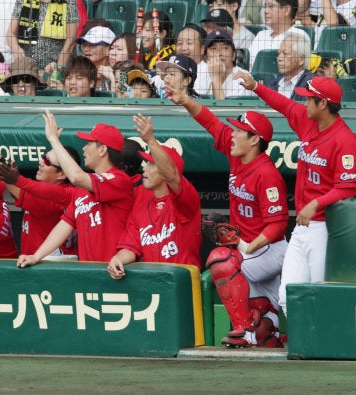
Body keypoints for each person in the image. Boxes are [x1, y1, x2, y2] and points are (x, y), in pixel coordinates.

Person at [168, 82, 289, 348]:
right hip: (249, 251)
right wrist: (185, 99)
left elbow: (278, 224)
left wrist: (245, 246)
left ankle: (243, 330)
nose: (233, 134)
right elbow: (211, 123)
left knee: (221, 258)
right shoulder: (237, 157)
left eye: (240, 131)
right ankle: (261, 327)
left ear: (255, 139)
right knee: (264, 332)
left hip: (269, 250)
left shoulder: (267, 174)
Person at [234, 73, 356, 317]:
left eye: (309, 99)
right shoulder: (309, 122)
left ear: (323, 104)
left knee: (322, 292)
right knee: (288, 295)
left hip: (326, 228)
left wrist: (316, 203)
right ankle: (306, 346)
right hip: (302, 227)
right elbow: (285, 105)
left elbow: (349, 187)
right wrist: (257, 86)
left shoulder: (345, 140)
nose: (304, 103)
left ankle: (325, 348)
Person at [17, 110, 134, 266]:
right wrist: (36, 256)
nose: (84, 149)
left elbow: (76, 177)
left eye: (88, 144)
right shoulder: (83, 190)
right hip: (88, 273)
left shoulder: (119, 179)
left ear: (102, 150)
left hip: (116, 273)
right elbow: (65, 225)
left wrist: (53, 140)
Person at [108, 115, 202, 278]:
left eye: (152, 164)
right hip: (155, 284)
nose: (145, 169)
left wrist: (151, 140)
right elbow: (131, 246)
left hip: (184, 284)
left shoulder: (186, 201)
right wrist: (118, 259)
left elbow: (172, 175)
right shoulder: (141, 204)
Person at [0, 108, 80, 256]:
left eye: (47, 161)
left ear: (62, 174)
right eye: (43, 157)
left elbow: (3, 174)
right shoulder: (64, 191)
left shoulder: (52, 201)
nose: (40, 162)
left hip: (48, 268)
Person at [8, 0, 79, 70]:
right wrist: (15, 48)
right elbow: (11, 33)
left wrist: (57, 70)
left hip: (53, 67)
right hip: (28, 68)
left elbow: (70, 42)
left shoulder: (69, 2)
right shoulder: (22, 1)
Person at [194, 29, 255, 99]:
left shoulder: (243, 78)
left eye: (225, 48)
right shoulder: (199, 73)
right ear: (206, 57)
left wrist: (216, 78)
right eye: (213, 48)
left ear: (234, 55)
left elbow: (225, 109)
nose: (219, 53)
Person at [247, 0, 303, 69]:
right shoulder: (261, 35)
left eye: (271, 6)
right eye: (265, 6)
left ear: (286, 10)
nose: (265, 11)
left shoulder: (298, 36)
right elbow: (247, 65)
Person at [267, 31, 314, 100]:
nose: (279, 58)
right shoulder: (274, 84)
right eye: (278, 53)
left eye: (285, 54)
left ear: (301, 59)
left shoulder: (311, 84)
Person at [76, 26, 115, 91]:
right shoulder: (79, 71)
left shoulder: (123, 71)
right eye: (84, 45)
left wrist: (112, 78)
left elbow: (125, 98)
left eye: (92, 45)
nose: (86, 49)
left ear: (108, 50)